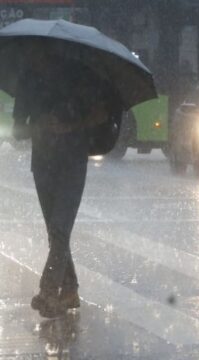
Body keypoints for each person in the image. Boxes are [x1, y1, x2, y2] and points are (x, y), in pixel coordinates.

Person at [15, 49, 94, 318]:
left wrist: (69, 126)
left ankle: (49, 291)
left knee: (60, 229)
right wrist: (38, 125)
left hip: (72, 163)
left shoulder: (79, 76)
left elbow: (100, 114)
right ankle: (70, 289)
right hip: (43, 164)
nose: (35, 59)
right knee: (55, 231)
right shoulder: (28, 80)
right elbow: (17, 129)